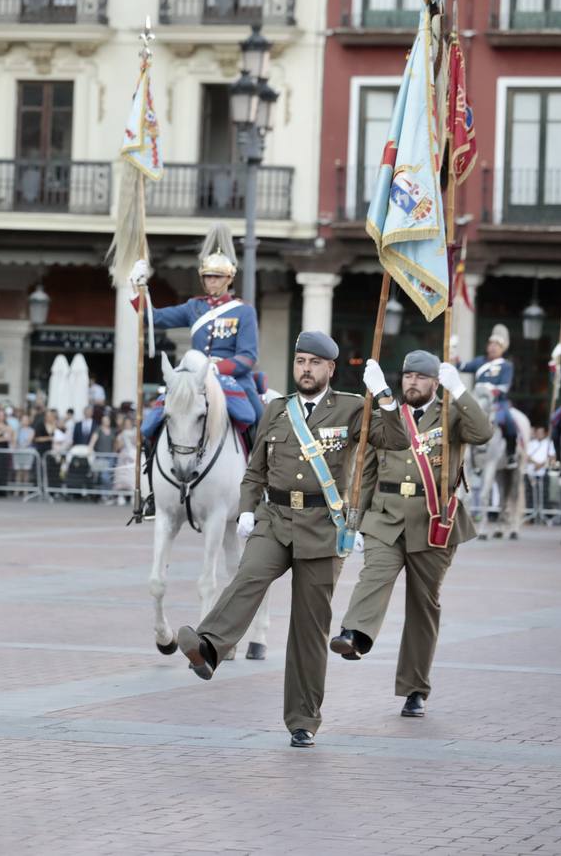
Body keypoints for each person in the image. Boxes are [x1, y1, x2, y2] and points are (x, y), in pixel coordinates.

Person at [174, 331, 407, 748]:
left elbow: (397, 440)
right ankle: (209, 647)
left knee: (308, 628)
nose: (305, 369)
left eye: (314, 363)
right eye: (300, 361)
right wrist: (247, 507)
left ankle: (303, 719)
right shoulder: (278, 411)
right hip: (275, 518)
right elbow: (255, 469)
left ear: (330, 369)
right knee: (249, 576)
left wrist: (385, 397)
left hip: (323, 526)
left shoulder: (354, 409)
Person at [329, 350, 494, 719]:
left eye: (421, 377)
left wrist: (461, 391)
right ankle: (354, 634)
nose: (412, 383)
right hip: (385, 516)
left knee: (423, 606)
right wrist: (354, 523)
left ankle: (415, 688)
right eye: (407, 376)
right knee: (374, 576)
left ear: (435, 382)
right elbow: (365, 473)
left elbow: (483, 433)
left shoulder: (451, 413)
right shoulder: (388, 415)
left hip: (433, 521)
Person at [129, 223, 262, 516]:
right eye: (207, 277)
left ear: (228, 278)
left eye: (216, 277)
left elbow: (248, 357)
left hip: (233, 380)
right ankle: (154, 489)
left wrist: (217, 368)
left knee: (259, 420)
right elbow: (152, 318)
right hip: (193, 380)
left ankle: (260, 489)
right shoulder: (194, 308)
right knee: (152, 422)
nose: (211, 282)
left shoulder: (243, 310)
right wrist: (137, 287)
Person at [455, 324, 519, 468]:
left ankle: (511, 454)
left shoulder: (506, 366)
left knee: (509, 422)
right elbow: (462, 366)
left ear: (503, 348)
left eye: (497, 345)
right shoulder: (479, 361)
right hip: (477, 399)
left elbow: (504, 387)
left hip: (497, 402)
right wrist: (454, 353)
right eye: (491, 343)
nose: (493, 347)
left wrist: (491, 390)